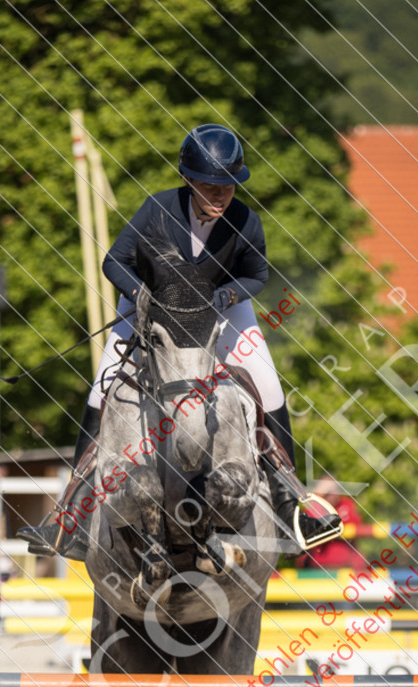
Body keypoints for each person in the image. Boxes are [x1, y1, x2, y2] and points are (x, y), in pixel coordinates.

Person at [19, 124, 341, 559]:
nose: (221, 195)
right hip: (149, 309)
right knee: (102, 389)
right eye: (211, 186)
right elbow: (114, 260)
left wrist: (224, 296)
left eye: (228, 186)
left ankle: (290, 502)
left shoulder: (246, 220)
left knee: (267, 385)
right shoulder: (157, 210)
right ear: (189, 180)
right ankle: (70, 518)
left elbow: (257, 275)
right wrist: (141, 296)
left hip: (219, 312)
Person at [299, 477, 365, 571]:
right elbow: (306, 527)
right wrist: (319, 498)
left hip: (347, 567)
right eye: (328, 493)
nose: (333, 495)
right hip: (319, 569)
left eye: (335, 490)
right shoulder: (314, 509)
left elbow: (357, 527)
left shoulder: (346, 504)